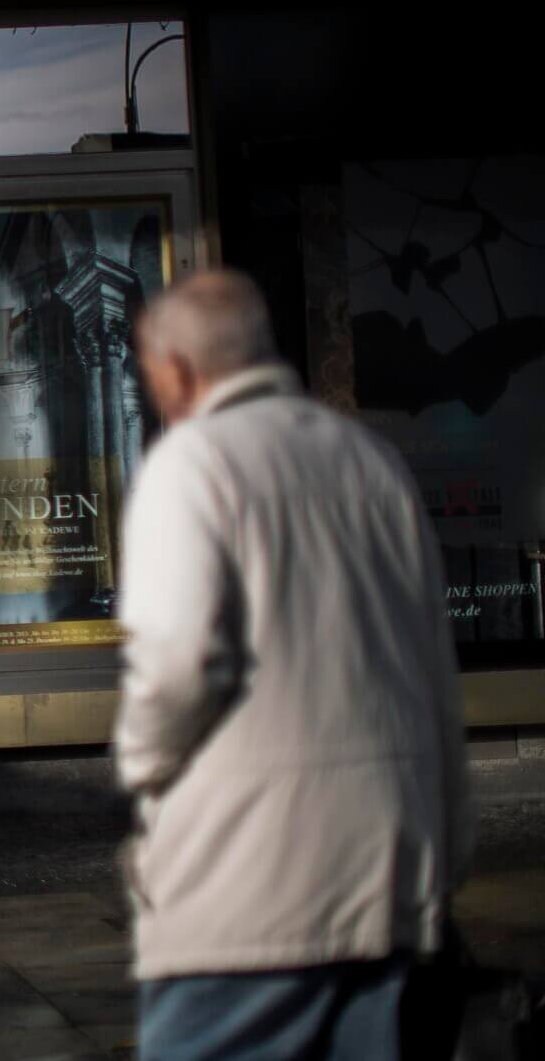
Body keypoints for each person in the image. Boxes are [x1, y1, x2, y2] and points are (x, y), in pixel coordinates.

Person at [115, 270, 472, 1059]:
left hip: (247, 888)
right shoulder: (372, 461)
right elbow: (432, 670)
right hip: (388, 873)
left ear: (177, 367)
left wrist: (142, 772)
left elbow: (175, 666)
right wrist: (446, 846)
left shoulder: (191, 464)